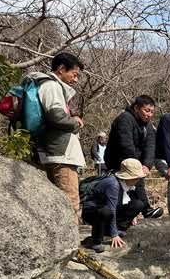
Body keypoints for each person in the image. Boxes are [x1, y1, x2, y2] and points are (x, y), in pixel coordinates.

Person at [29, 52, 85, 221]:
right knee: (70, 204)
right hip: (62, 155)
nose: (75, 80)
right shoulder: (52, 86)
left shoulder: (46, 85)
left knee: (59, 205)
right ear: (61, 69)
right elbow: (56, 116)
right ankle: (72, 247)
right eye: (74, 74)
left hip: (53, 152)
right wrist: (75, 122)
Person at [104, 95, 163, 219]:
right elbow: (125, 144)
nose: (149, 114)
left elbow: (150, 146)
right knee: (124, 188)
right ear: (136, 108)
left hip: (136, 161)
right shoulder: (125, 118)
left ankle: (142, 210)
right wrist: (136, 165)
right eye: (147, 110)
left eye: (152, 112)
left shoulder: (148, 125)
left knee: (137, 183)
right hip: (117, 161)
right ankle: (145, 209)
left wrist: (147, 164)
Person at [81, 159, 146, 253]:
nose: (138, 180)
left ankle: (112, 229)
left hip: (107, 210)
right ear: (128, 177)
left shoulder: (124, 184)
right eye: (136, 177)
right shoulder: (113, 184)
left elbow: (123, 201)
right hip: (93, 212)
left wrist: (132, 215)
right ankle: (96, 240)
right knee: (106, 211)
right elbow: (112, 209)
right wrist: (114, 235)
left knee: (137, 204)